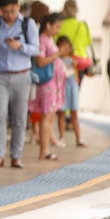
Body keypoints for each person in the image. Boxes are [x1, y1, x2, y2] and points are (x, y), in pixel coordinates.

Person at [0, 0, 40, 169]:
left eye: (13, 10)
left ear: (18, 6)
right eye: (6, 11)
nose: (9, 15)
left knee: (19, 117)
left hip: (21, 75)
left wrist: (20, 46)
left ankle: (16, 156)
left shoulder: (28, 24)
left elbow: (36, 49)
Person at [29, 13, 66, 160]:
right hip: (47, 83)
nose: (58, 30)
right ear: (48, 25)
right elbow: (41, 61)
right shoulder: (42, 40)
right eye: (56, 27)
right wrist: (58, 54)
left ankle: (46, 148)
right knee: (47, 115)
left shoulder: (49, 39)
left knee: (50, 115)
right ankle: (44, 150)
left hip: (53, 83)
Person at [56, 36, 85, 147]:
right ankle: (61, 136)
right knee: (61, 113)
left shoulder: (74, 59)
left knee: (74, 113)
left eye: (67, 47)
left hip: (72, 86)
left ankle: (79, 138)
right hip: (62, 86)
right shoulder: (57, 60)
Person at [57, 0, 93, 81]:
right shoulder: (83, 25)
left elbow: (55, 42)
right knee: (76, 88)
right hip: (81, 61)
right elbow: (88, 42)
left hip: (65, 60)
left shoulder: (60, 25)